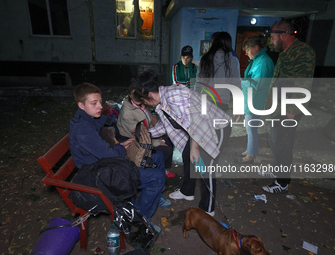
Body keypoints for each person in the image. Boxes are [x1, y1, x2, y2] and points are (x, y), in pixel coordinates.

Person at [133, 70, 232, 217]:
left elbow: (198, 120)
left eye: (144, 100)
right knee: (187, 156)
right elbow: (166, 125)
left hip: (217, 127)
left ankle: (208, 209)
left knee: (205, 166)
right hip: (198, 131)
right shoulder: (162, 104)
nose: (146, 104)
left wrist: (195, 147)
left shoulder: (174, 95)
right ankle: (187, 191)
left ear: (149, 94)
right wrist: (146, 133)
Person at [68, 82, 166, 227]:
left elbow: (107, 131)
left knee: (158, 157)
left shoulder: (89, 120)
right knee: (157, 178)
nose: (100, 106)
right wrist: (121, 146)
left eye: (100, 102)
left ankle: (154, 197)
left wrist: (118, 141)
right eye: (94, 103)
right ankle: (138, 221)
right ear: (81, 105)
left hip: (105, 166)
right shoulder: (83, 129)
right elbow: (111, 155)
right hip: (98, 177)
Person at [261, 20, 316, 193]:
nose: (271, 41)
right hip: (278, 107)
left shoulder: (303, 52)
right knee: (275, 141)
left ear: (283, 35)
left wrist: (291, 111)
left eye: (273, 37)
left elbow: (303, 83)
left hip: (288, 109)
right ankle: (278, 171)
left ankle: (282, 182)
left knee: (283, 143)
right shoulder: (285, 53)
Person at [117, 86, 174, 207]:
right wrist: (158, 142)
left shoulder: (141, 105)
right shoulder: (128, 113)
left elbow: (149, 122)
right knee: (164, 150)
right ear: (130, 94)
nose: (138, 95)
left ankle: (159, 179)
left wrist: (160, 132)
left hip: (146, 136)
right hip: (134, 143)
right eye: (135, 93)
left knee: (169, 141)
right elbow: (139, 137)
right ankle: (157, 184)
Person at [236, 36, 274, 164]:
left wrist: (242, 82)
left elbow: (257, 84)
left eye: (247, 49)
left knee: (251, 128)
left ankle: (251, 155)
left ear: (256, 48)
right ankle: (250, 150)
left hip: (255, 101)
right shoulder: (258, 60)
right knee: (250, 128)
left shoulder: (262, 61)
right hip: (252, 100)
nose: (246, 53)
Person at [197, 31, 241, 111]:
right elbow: (237, 84)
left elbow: (199, 82)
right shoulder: (233, 61)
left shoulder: (205, 59)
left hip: (205, 100)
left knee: (206, 123)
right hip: (222, 102)